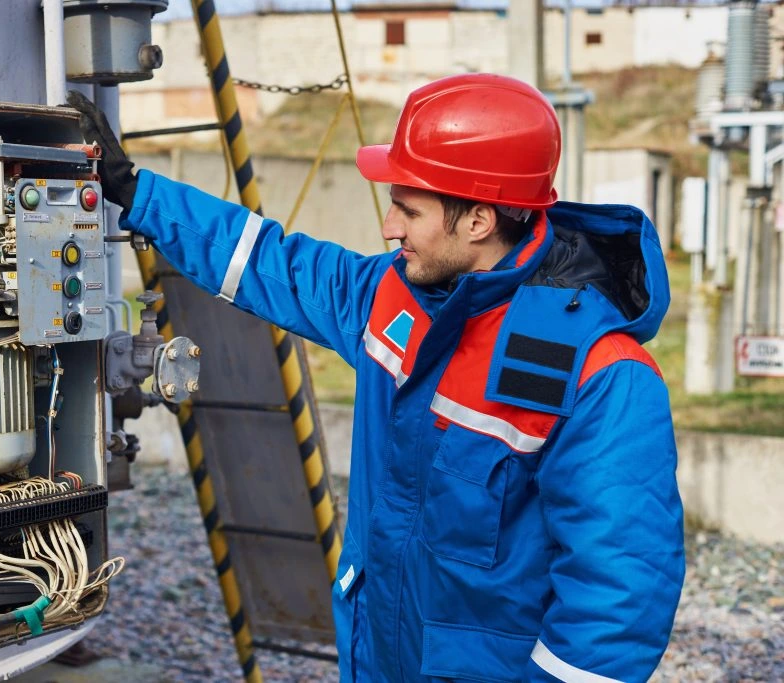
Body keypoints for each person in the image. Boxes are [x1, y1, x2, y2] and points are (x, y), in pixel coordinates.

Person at [68, 74, 685, 682]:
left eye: (408, 209)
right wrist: (136, 192)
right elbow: (266, 261)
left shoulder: (600, 376)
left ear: (477, 220)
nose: (389, 226)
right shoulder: (393, 295)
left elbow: (617, 600)